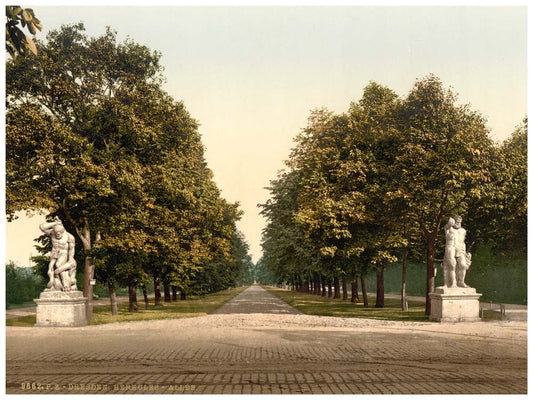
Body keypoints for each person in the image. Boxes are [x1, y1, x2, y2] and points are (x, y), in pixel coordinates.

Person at [39, 217, 77, 292]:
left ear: (63, 232)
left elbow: (72, 249)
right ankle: (55, 283)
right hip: (54, 253)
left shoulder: (70, 237)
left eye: (59, 233)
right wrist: (56, 223)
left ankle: (65, 284)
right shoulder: (52, 233)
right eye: (56, 233)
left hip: (64, 253)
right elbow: (42, 227)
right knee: (50, 270)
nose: (57, 234)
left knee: (58, 265)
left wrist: (71, 258)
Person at [442, 215, 472, 288]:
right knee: (452, 264)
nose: (458, 223)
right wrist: (450, 223)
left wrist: (465, 253)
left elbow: (463, 242)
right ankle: (452, 283)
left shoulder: (463, 231)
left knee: (463, 265)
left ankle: (461, 282)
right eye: (457, 221)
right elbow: (447, 226)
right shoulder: (449, 228)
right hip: (451, 246)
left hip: (460, 249)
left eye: (460, 222)